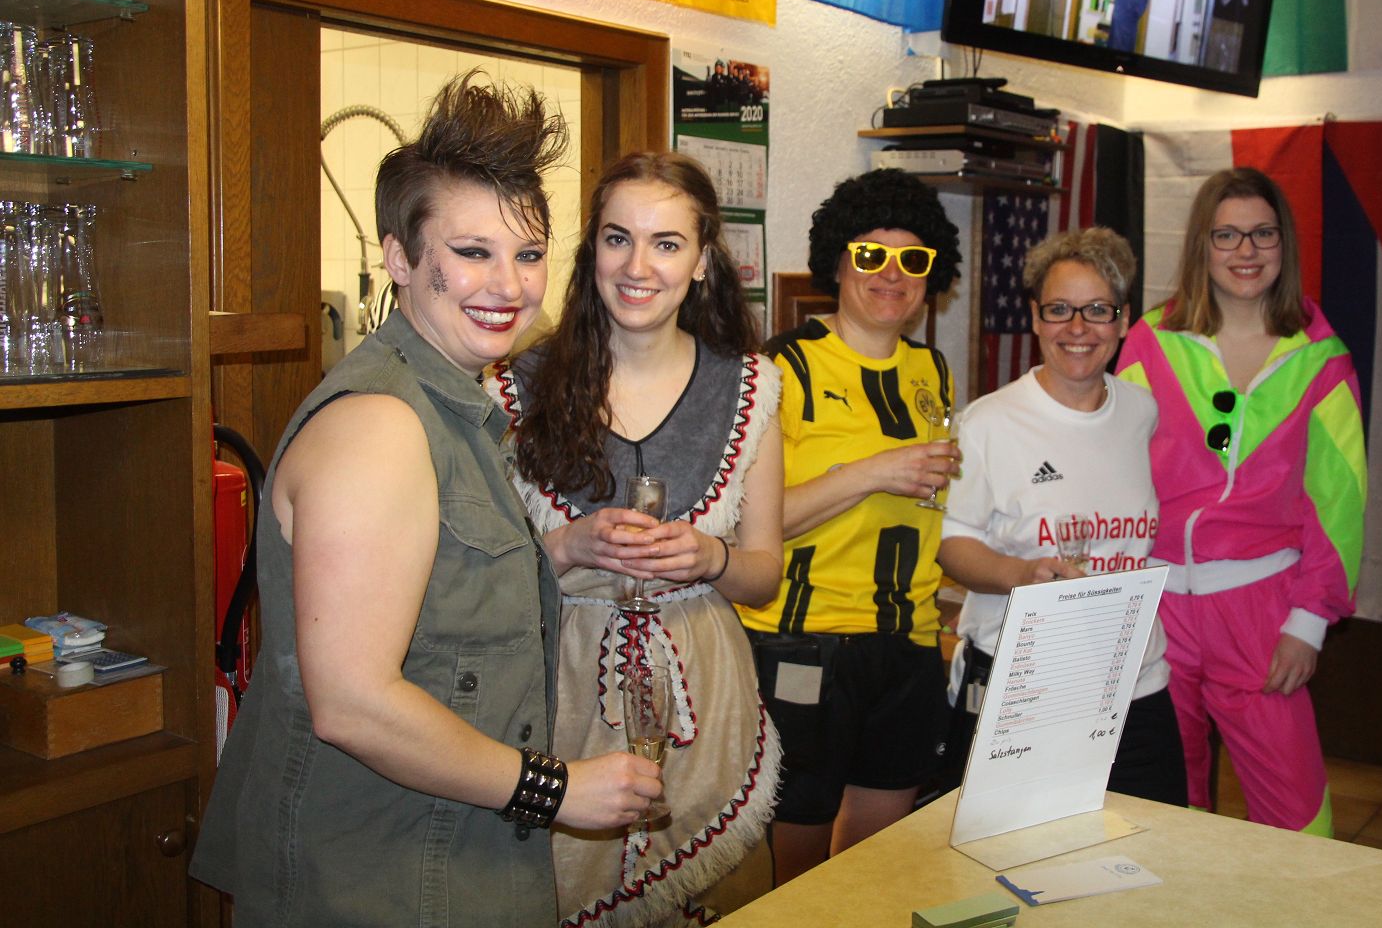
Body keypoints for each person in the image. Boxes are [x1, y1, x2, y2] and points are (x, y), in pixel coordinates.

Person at [191, 73, 660, 925]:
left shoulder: (451, 402)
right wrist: (557, 790)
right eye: (473, 252)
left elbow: (433, 590)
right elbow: (353, 702)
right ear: (400, 259)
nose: (509, 286)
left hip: (442, 856)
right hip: (378, 878)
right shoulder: (381, 424)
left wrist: (559, 552)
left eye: (527, 255)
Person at [493, 152, 786, 926]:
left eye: (667, 244)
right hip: (563, 693)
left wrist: (710, 557)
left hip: (706, 692)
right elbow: (478, 579)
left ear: (702, 261)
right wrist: (569, 548)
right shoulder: (514, 385)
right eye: (618, 238)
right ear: (591, 248)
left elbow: (764, 575)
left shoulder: (750, 385)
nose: (638, 267)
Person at [1115, 166, 1365, 836]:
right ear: (1202, 245)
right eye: (1226, 235)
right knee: (1161, 806)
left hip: (1262, 609)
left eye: (1262, 234)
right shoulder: (1150, 341)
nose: (1246, 251)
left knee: (1294, 811)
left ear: (1285, 245)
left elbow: (1339, 504)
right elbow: (1114, 468)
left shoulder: (1323, 359)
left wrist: (1309, 623)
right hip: (1156, 607)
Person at [738, 166, 963, 884]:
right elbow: (748, 527)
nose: (892, 273)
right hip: (805, 644)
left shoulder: (933, 370)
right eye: (871, 254)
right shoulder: (781, 369)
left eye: (912, 259)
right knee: (795, 872)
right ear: (837, 262)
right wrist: (872, 472)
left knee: (876, 867)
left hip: (909, 642)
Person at [938, 227, 1186, 806]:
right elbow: (952, 545)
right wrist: (1021, 574)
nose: (1078, 328)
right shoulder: (988, 423)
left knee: (1151, 843)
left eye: (1098, 310)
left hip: (1135, 682)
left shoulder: (1142, 412)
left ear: (1124, 321)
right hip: (1023, 686)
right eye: (1059, 310)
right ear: (1035, 317)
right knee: (1012, 853)